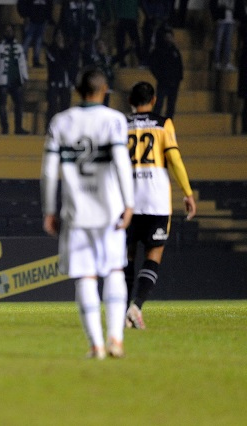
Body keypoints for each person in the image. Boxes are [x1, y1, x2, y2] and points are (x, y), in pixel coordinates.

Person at [41, 67, 134, 359]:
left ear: (77, 90)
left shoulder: (61, 122)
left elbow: (47, 171)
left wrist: (49, 209)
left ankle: (96, 345)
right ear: (104, 89)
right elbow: (121, 162)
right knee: (116, 270)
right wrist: (129, 203)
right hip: (110, 211)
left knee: (85, 277)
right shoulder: (115, 120)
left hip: (76, 213)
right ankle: (116, 339)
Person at [124, 81, 197, 329]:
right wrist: (187, 193)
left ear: (131, 102)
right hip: (155, 199)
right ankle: (136, 307)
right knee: (153, 254)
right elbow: (174, 158)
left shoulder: (121, 125)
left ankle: (124, 311)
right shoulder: (163, 123)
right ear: (154, 100)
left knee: (127, 256)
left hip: (127, 201)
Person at [0, 24, 29, 135]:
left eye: (10, 30)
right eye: (6, 31)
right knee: (2, 104)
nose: (9, 33)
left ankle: (18, 127)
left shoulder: (19, 47)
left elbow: (23, 63)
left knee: (19, 104)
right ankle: (5, 127)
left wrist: (25, 77)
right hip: (3, 80)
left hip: (16, 79)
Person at [149, 27, 183, 118]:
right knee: (158, 105)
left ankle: (168, 128)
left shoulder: (174, 50)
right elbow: (153, 65)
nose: (169, 39)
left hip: (174, 83)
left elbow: (179, 65)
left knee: (171, 107)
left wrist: (179, 78)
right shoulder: (159, 50)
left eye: (170, 36)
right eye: (167, 36)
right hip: (163, 82)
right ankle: (154, 126)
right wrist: (160, 77)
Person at [45, 29, 72, 129]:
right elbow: (56, 62)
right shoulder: (50, 49)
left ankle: (64, 129)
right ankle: (50, 128)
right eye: (58, 36)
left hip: (65, 82)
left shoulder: (68, 49)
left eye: (61, 36)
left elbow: (69, 64)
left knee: (65, 108)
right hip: (54, 82)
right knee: (52, 106)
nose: (59, 38)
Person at [209, 0, 245, 71]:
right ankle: (216, 62)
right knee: (218, 42)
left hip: (231, 20)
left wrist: (238, 18)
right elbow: (213, 4)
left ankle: (226, 62)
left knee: (228, 43)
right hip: (221, 19)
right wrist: (215, 17)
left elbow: (239, 5)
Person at [17, 0, 54, 67]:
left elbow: (49, 5)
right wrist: (25, 15)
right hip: (31, 20)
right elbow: (22, 3)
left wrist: (48, 18)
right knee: (27, 40)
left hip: (42, 19)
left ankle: (36, 61)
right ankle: (23, 60)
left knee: (38, 42)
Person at [112, 0, 143, 67]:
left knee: (135, 41)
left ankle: (140, 60)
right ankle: (121, 61)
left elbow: (137, 5)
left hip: (130, 18)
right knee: (121, 42)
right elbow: (116, 4)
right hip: (123, 18)